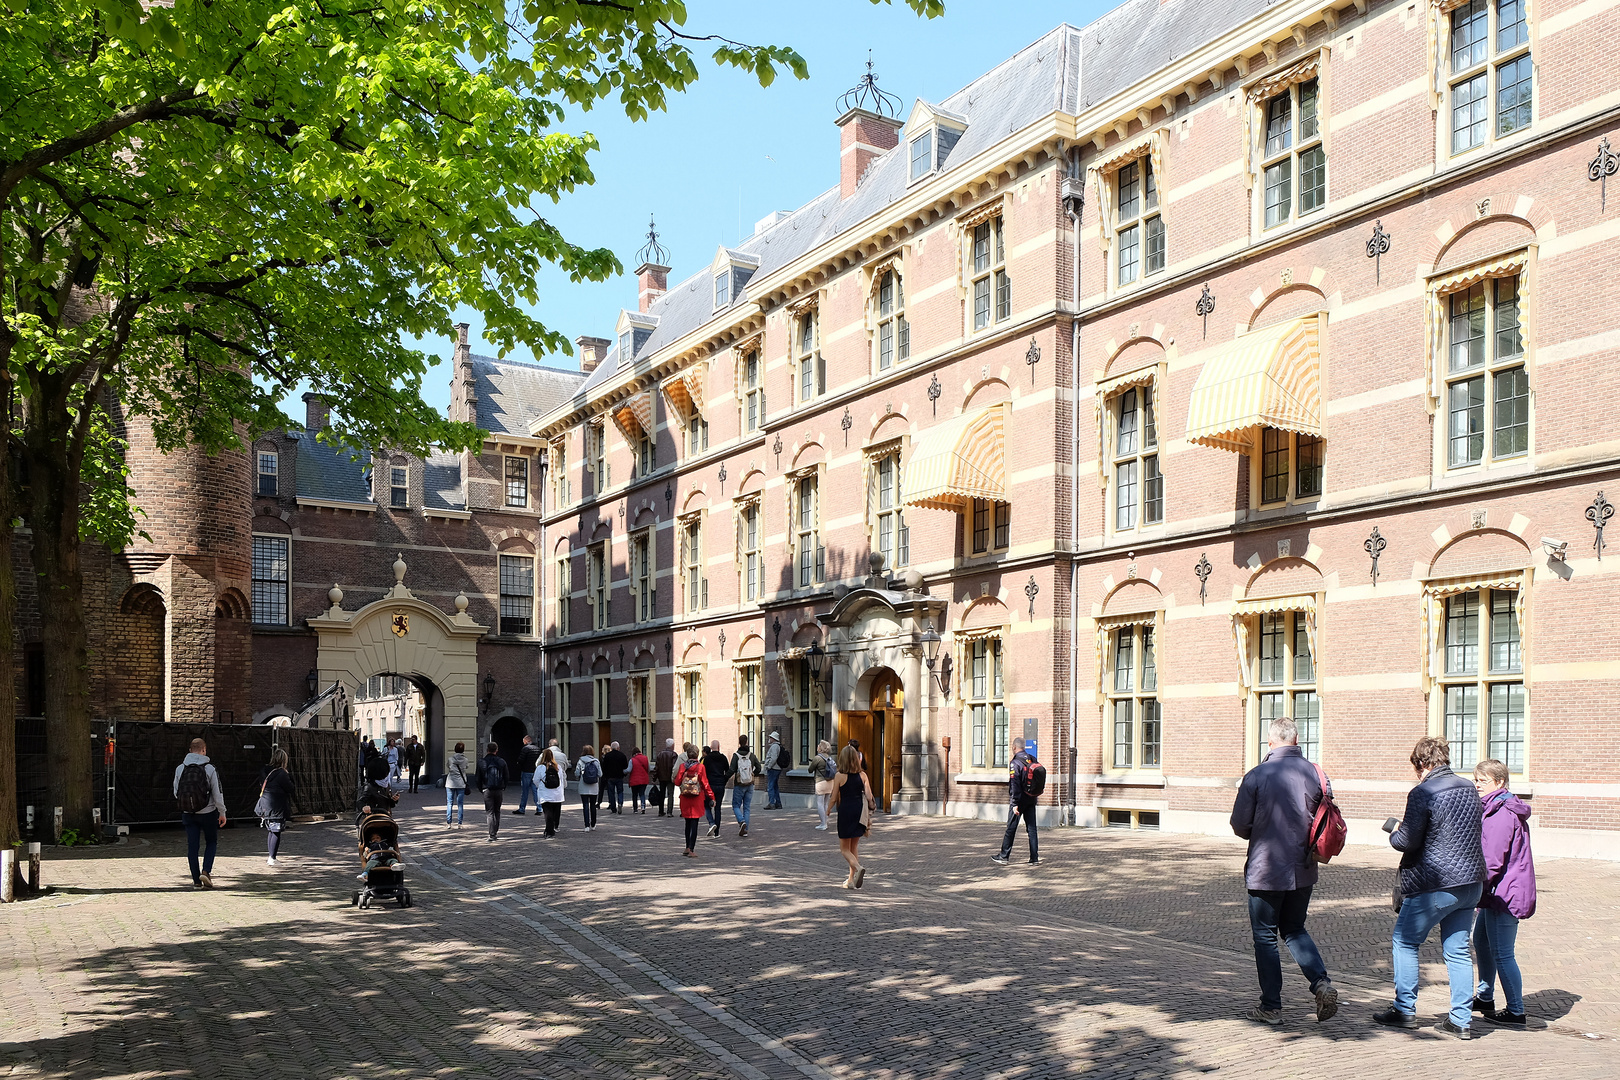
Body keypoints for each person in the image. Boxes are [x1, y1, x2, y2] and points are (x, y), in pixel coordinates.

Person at [1228, 718, 1339, 1024]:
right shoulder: (1317, 773)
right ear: (1297, 739)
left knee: (1265, 936)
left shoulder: (1257, 775)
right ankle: (1320, 983)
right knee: (1294, 928)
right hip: (1304, 868)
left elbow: (1239, 825)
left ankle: (1271, 1006)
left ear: (1270, 743)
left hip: (1267, 869)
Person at [1376, 735, 1486, 1040]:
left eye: (1416, 767)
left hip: (1435, 884)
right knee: (1458, 951)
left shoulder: (1422, 792)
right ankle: (1461, 1020)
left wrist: (1395, 831)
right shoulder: (1469, 787)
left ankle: (1404, 1010)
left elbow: (1406, 841)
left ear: (1421, 763)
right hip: (1471, 882)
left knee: (1405, 941)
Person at [1472, 758, 1536, 1027]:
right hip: (1497, 891)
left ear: (1498, 782)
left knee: (1503, 952)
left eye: (1482, 781)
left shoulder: (1501, 812)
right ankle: (1485, 997)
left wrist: (1476, 890)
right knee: (1481, 942)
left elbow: (1493, 859)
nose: (1476, 786)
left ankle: (1516, 1011)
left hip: (1504, 893)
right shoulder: (1496, 806)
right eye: (1475, 780)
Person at [173, 737, 227, 889]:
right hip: (208, 812)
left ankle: (196, 881)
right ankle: (206, 871)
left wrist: (187, 804)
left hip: (188, 813)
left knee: (192, 846)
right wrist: (222, 812)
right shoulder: (209, 769)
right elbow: (217, 794)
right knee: (211, 842)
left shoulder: (180, 768)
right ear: (204, 750)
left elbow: (176, 791)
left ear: (190, 751)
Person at [990, 738, 1041, 868]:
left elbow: (1015, 784)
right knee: (1032, 829)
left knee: (1011, 828)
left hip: (1019, 800)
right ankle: (1034, 857)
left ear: (1014, 747)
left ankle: (1004, 856)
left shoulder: (1015, 763)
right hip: (1031, 798)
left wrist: (1014, 803)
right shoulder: (1032, 759)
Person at [832, 745, 874, 888]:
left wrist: (827, 810)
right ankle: (851, 880)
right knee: (854, 846)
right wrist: (871, 809)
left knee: (844, 849)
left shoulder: (839, 776)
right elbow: (869, 796)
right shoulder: (863, 775)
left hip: (845, 812)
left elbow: (833, 796)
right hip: (859, 811)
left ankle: (857, 867)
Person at [674, 742, 714, 857]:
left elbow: (677, 781)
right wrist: (711, 797)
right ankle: (692, 849)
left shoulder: (683, 766)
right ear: (697, 755)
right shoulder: (700, 767)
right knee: (694, 823)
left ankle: (687, 847)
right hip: (697, 797)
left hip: (685, 798)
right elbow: (705, 784)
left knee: (687, 823)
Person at [258, 748, 295, 867]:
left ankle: (271, 856)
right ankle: (272, 858)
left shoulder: (265, 770)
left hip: (265, 804)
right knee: (276, 831)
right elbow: (290, 788)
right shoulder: (282, 774)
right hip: (276, 806)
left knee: (271, 831)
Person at [477, 741, 510, 842]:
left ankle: (492, 834)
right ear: (496, 750)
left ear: (487, 750)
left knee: (489, 812)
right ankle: (495, 831)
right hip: (498, 789)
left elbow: (478, 778)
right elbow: (506, 776)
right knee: (497, 811)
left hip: (487, 789)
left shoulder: (482, 762)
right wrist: (504, 786)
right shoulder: (501, 761)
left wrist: (481, 788)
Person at [730, 736, 762, 838]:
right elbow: (759, 767)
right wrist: (753, 774)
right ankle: (746, 830)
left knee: (735, 805)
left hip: (739, 784)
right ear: (747, 742)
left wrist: (724, 778)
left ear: (739, 743)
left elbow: (731, 769)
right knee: (747, 807)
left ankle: (741, 821)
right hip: (750, 784)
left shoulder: (736, 756)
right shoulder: (751, 755)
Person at [702, 739, 732, 838]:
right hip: (720, 785)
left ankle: (711, 823)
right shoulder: (723, 758)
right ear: (719, 747)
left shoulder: (707, 759)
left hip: (710, 786)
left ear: (711, 748)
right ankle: (717, 832)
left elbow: (704, 773)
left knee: (707, 805)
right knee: (718, 808)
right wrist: (724, 781)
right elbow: (728, 771)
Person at [574, 744, 602, 830]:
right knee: (593, 805)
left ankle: (586, 825)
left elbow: (577, 773)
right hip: (594, 786)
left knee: (585, 805)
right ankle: (593, 824)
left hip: (584, 785)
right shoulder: (596, 761)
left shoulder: (581, 761)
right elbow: (600, 774)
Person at [538, 747, 565, 837]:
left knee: (548, 813)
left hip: (546, 794)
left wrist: (541, 786)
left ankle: (550, 832)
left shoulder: (541, 767)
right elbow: (561, 779)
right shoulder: (558, 767)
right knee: (555, 813)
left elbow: (535, 779)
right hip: (557, 795)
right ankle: (551, 829)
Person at [811, 740, 837, 830]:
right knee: (826, 803)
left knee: (820, 803)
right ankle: (825, 821)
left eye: (819, 745)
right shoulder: (829, 758)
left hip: (820, 782)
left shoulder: (817, 758)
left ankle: (823, 824)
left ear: (820, 748)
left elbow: (810, 769)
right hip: (830, 782)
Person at [445, 741, 471, 828]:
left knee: (449, 803)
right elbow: (466, 767)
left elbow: (448, 766)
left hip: (450, 783)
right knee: (460, 804)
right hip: (461, 783)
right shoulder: (465, 760)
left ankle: (449, 823)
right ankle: (459, 823)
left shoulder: (450, 759)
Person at [515, 735, 542, 816]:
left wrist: (519, 765)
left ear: (526, 741)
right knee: (536, 791)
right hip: (535, 772)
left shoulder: (525, 749)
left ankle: (522, 808)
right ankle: (539, 808)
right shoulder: (538, 749)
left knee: (525, 791)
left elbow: (521, 759)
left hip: (526, 771)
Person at [602, 741, 629, 814]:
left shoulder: (607, 756)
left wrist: (606, 776)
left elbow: (604, 767)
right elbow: (625, 767)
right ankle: (620, 802)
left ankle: (613, 808)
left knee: (611, 793)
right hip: (619, 777)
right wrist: (624, 775)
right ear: (618, 748)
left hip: (610, 777)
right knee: (620, 791)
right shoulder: (622, 755)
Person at [654, 738, 680, 818]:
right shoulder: (673, 755)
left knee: (662, 794)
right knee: (670, 794)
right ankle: (669, 812)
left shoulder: (660, 754)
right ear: (672, 745)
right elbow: (674, 766)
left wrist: (655, 777)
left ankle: (661, 811)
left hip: (661, 778)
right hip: (670, 778)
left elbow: (656, 767)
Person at [764, 731, 789, 809]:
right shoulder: (778, 746)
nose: (769, 739)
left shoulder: (774, 747)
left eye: (771, 737)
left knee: (770, 786)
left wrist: (769, 766)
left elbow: (773, 758)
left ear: (773, 739)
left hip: (773, 768)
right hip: (777, 768)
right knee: (775, 786)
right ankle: (778, 803)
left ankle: (771, 803)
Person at [627, 746, 652, 814]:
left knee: (634, 795)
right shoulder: (645, 758)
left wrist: (623, 771)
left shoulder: (632, 760)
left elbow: (629, 770)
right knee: (642, 794)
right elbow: (649, 769)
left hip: (634, 780)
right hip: (644, 780)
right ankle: (643, 807)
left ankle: (635, 809)